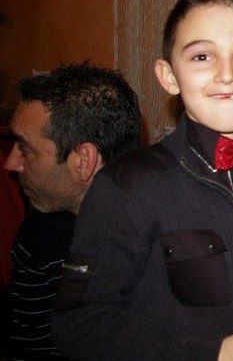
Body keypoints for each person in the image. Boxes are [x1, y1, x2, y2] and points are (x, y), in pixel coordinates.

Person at [50, 0, 233, 360]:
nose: (227, 73)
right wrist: (210, 354)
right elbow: (78, 323)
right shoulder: (129, 186)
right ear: (169, 76)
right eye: (202, 56)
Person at [3, 62, 142, 359]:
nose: (11, 164)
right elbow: (30, 349)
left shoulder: (168, 241)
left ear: (84, 161)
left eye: (25, 149)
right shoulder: (41, 233)